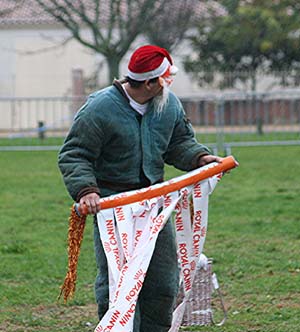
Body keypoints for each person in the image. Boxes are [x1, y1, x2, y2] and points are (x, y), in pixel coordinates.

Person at [58, 45, 223, 332]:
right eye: (164, 80)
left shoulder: (169, 105)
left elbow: (179, 143)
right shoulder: (100, 108)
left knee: (163, 281)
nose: (167, 85)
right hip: (114, 208)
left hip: (156, 205)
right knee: (118, 284)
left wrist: (200, 158)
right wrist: (87, 190)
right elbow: (75, 154)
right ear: (148, 83)